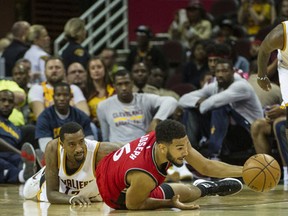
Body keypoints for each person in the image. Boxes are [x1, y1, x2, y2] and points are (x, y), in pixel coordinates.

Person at [96, 119, 243, 210]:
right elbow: (133, 205)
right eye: (180, 148)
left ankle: (211, 186)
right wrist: (169, 203)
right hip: (116, 196)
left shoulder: (165, 136)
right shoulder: (144, 176)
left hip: (108, 166)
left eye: (187, 144)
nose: (186, 152)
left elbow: (205, 166)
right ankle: (207, 188)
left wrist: (245, 171)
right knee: (185, 192)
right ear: (162, 147)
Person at [179, 58, 263, 160]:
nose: (220, 75)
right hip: (229, 132)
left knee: (220, 107)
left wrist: (203, 103)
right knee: (189, 111)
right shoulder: (216, 86)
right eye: (218, 71)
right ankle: (188, 152)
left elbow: (212, 103)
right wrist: (196, 102)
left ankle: (214, 154)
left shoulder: (241, 86)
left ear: (232, 72)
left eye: (224, 71)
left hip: (250, 133)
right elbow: (182, 100)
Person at [23, 122, 120, 204]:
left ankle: (46, 165)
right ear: (62, 145)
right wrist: (71, 199)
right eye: (72, 144)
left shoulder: (101, 151)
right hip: (59, 191)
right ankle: (44, 169)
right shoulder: (53, 148)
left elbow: (130, 149)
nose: (79, 148)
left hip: (90, 196)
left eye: (81, 141)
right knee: (27, 193)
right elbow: (51, 194)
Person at [97, 69, 178, 143]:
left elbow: (171, 101)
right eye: (119, 84)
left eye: (127, 83)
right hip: (118, 150)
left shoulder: (144, 99)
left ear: (132, 83)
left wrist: (156, 120)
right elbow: (105, 138)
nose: (124, 88)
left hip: (142, 147)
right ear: (114, 86)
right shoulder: (103, 106)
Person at [257, 20, 288, 160]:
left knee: (281, 124)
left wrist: (284, 110)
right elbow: (264, 49)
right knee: (258, 126)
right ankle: (268, 170)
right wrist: (262, 76)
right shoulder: (282, 33)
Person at [35, 82, 94, 153]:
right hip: (55, 156)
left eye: (65, 95)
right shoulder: (44, 118)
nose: (62, 98)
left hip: (78, 154)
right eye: (58, 95)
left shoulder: (81, 116)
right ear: (53, 97)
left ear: (71, 96)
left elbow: (90, 144)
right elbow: (46, 148)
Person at [0, 89, 36, 183]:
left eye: (10, 101)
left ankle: (32, 172)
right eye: (3, 100)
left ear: (14, 106)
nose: (6, 104)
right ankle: (22, 176)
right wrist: (20, 153)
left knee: (20, 160)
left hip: (13, 157)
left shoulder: (15, 129)